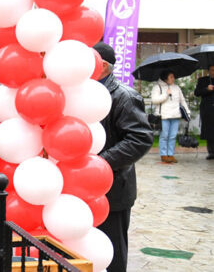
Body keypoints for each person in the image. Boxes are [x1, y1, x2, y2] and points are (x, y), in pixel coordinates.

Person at [92, 42, 153, 272]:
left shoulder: (124, 96)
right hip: (84, 189)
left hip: (113, 189)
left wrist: (101, 163)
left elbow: (140, 139)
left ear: (104, 66)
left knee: (112, 253)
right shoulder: (83, 92)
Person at [151, 69, 191, 163]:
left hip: (175, 115)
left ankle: (171, 154)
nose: (173, 78)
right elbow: (154, 100)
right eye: (171, 77)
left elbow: (182, 101)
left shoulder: (177, 88)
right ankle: (164, 155)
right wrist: (166, 94)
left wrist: (187, 112)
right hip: (164, 116)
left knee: (172, 136)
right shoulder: (157, 87)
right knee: (164, 135)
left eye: (173, 76)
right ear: (165, 78)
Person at [194, 65, 214, 159]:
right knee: (209, 131)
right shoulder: (203, 80)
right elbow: (197, 93)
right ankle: (211, 152)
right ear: (209, 71)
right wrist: (207, 89)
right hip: (208, 110)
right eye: (212, 70)